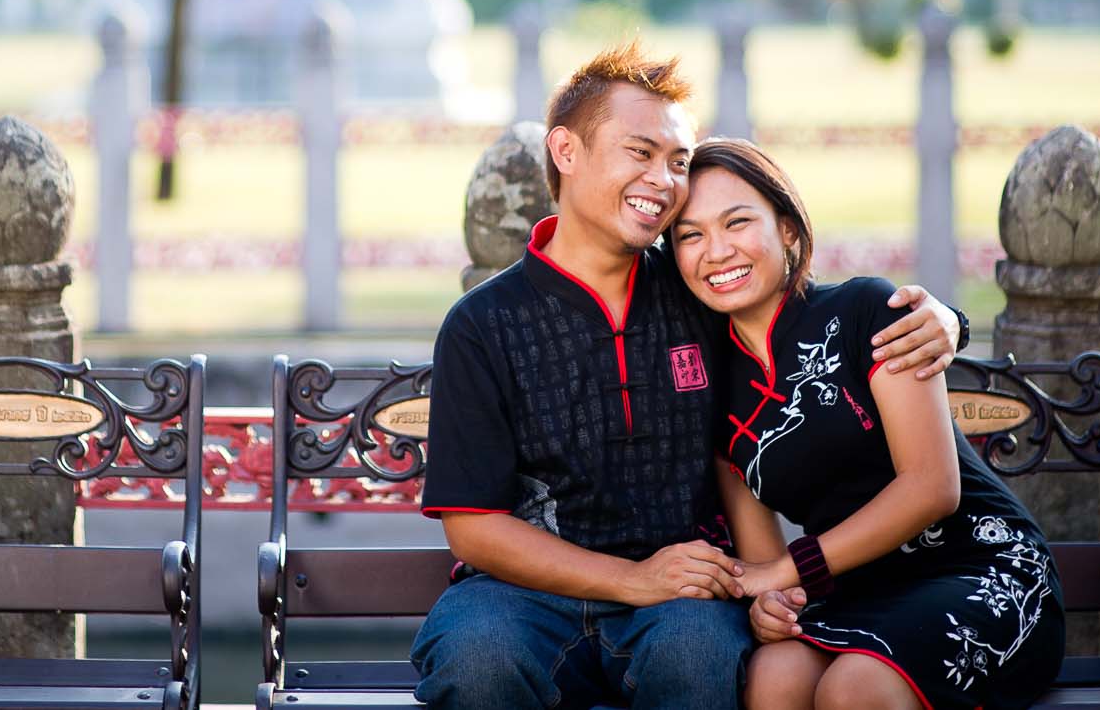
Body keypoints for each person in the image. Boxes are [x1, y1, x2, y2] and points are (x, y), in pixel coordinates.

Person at [414, 45, 967, 710]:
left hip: (686, 591)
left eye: (678, 161)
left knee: (698, 658)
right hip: (521, 596)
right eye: (640, 152)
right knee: (476, 660)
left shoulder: (699, 289)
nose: (663, 180)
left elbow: (812, 312)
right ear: (566, 150)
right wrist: (632, 579)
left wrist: (945, 319)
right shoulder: (483, 324)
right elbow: (473, 527)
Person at [672, 136, 1063, 710]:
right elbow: (763, 569)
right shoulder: (715, 391)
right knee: (773, 678)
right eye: (691, 236)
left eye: (737, 222)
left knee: (854, 690)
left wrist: (787, 569)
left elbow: (933, 488)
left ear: (787, 228)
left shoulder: (867, 312)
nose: (717, 251)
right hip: (856, 589)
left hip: (979, 568)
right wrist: (769, 603)